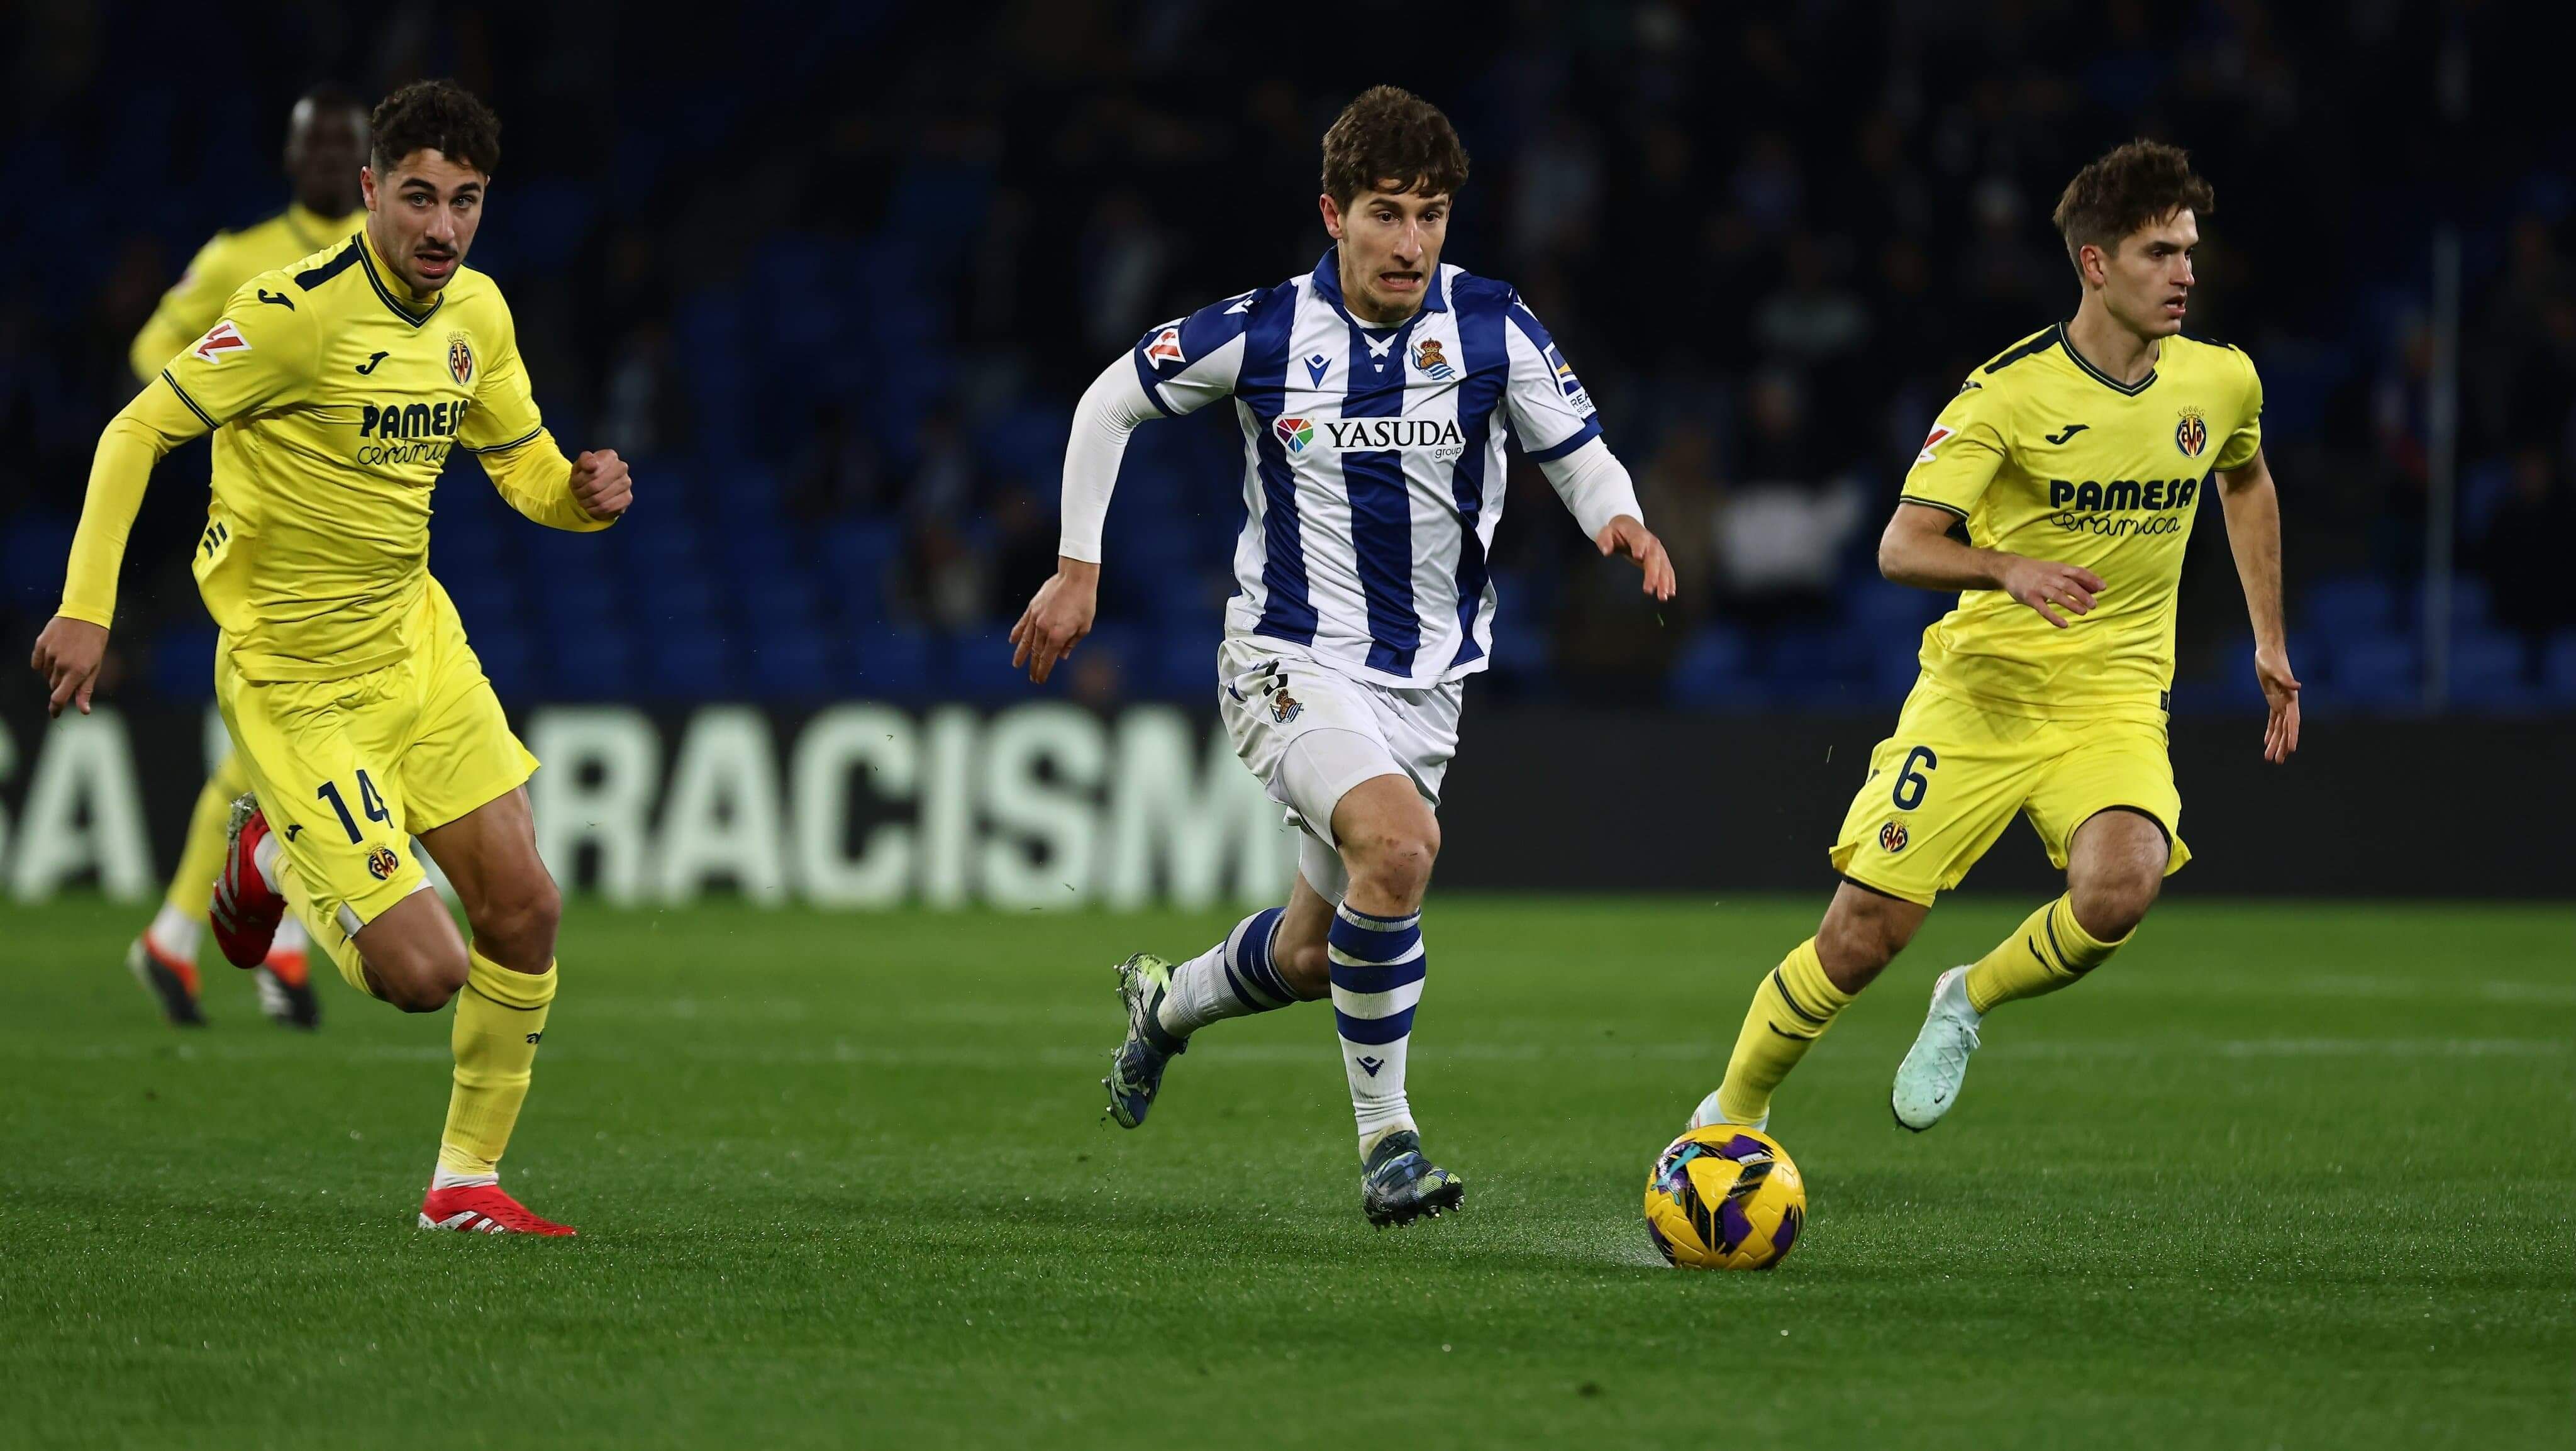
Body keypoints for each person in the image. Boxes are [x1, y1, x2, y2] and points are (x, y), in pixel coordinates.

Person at [1010, 86, 1675, 1226]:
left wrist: (1618, 516)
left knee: (1321, 952)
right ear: (1334, 214)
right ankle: (1390, 1145)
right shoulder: (1262, 331)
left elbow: (1578, 447)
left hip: (1429, 688)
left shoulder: (1492, 323)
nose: (1411, 242)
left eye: (1431, 215)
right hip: (1288, 659)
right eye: (1386, 213)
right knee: (1401, 847)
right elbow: (1106, 403)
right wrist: (1080, 569)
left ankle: (1166, 1007)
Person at [32, 80, 633, 1235]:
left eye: (464, 202)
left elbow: (522, 471)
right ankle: (264, 860)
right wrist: (87, 606)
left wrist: (583, 495)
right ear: (369, 191)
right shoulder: (290, 312)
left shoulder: (479, 316)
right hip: (298, 681)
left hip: (418, 646)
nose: (441, 229)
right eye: (417, 197)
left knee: (527, 912)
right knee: (426, 974)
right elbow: (136, 429)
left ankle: (464, 1186)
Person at [1691, 140, 2299, 1137]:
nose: (2186, 272)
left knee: (2121, 887)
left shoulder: (2221, 382)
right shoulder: (2006, 395)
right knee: (1859, 939)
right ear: (2096, 264)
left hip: (2113, 702)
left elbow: (2246, 477)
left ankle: (1966, 1000)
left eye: (2190, 250)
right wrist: (2007, 566)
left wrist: (2271, 639)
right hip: (1983, 694)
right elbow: (1901, 546)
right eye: (2159, 253)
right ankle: (1731, 1112)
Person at [123, 85, 372, 1031]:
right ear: (292, 156)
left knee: (257, 765)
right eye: (315, 145)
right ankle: (276, 956)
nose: (328, 162)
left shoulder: (398, 266)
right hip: (269, 541)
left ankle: (181, 941)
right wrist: (207, 401)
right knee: (289, 746)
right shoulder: (239, 259)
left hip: (354, 542)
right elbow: (155, 345)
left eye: (346, 146)